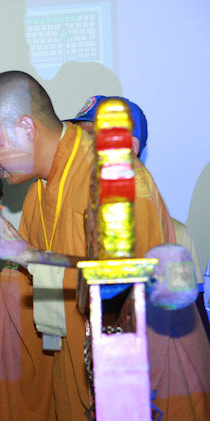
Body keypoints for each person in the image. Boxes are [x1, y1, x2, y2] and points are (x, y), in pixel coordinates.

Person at [0, 71, 210, 421]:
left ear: (26, 127)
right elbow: (25, 294)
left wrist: (24, 253)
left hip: (140, 393)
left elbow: (131, 293)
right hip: (73, 381)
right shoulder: (38, 193)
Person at [68, 95, 210, 340]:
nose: (77, 150)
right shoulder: (70, 218)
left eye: (90, 138)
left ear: (130, 148)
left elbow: (192, 325)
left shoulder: (174, 233)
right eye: (76, 139)